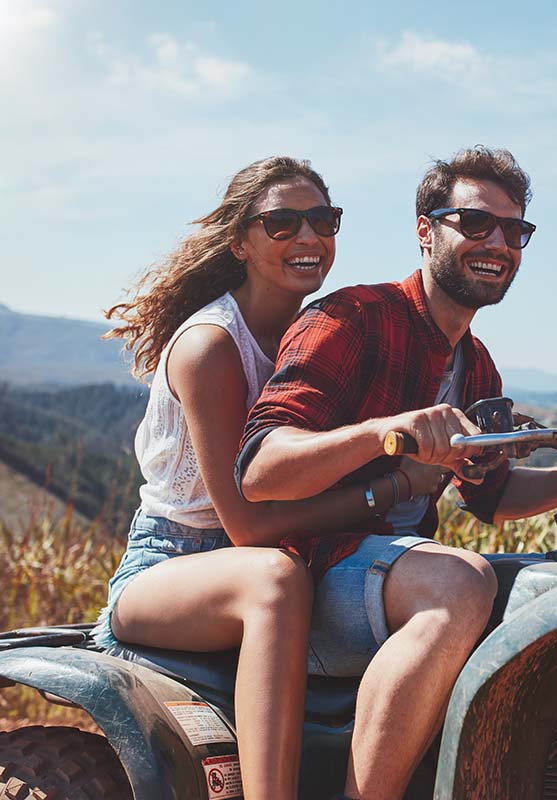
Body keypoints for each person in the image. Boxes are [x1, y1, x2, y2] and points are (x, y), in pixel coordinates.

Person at [237, 146, 557, 799]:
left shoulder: (477, 365)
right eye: (474, 224)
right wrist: (386, 435)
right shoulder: (351, 318)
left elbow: (492, 498)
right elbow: (261, 467)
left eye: (514, 231)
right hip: (318, 571)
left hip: (392, 575)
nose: (497, 242)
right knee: (461, 582)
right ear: (425, 230)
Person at [93, 157, 380, 800]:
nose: (308, 237)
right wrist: (379, 493)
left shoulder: (319, 336)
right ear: (240, 243)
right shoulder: (211, 345)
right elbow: (245, 524)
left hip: (268, 554)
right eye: (282, 222)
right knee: (273, 579)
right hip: (172, 564)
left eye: (322, 220)